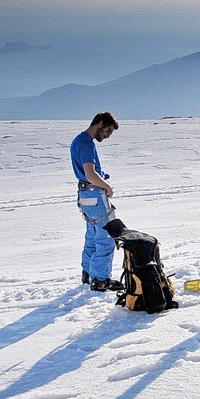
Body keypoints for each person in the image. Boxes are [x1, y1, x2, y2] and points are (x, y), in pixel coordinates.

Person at [71, 111, 124, 291]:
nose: (107, 136)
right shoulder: (87, 144)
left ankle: (88, 273)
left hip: (84, 194)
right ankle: (100, 279)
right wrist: (107, 187)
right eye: (107, 131)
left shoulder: (78, 140)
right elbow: (90, 174)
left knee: (92, 234)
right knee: (106, 237)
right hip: (94, 193)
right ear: (100, 124)